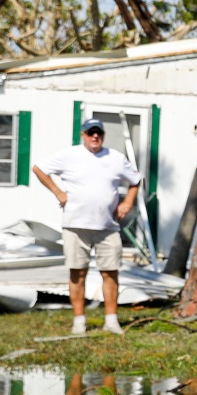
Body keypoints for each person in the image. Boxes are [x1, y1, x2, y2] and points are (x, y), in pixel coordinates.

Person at [34, 118, 142, 335]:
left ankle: (111, 321)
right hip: (76, 225)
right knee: (77, 272)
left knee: (110, 273)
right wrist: (58, 192)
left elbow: (135, 180)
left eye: (98, 133)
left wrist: (128, 202)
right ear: (83, 135)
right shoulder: (69, 155)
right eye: (90, 133)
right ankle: (79, 321)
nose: (95, 137)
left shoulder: (116, 158)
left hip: (108, 227)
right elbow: (39, 169)